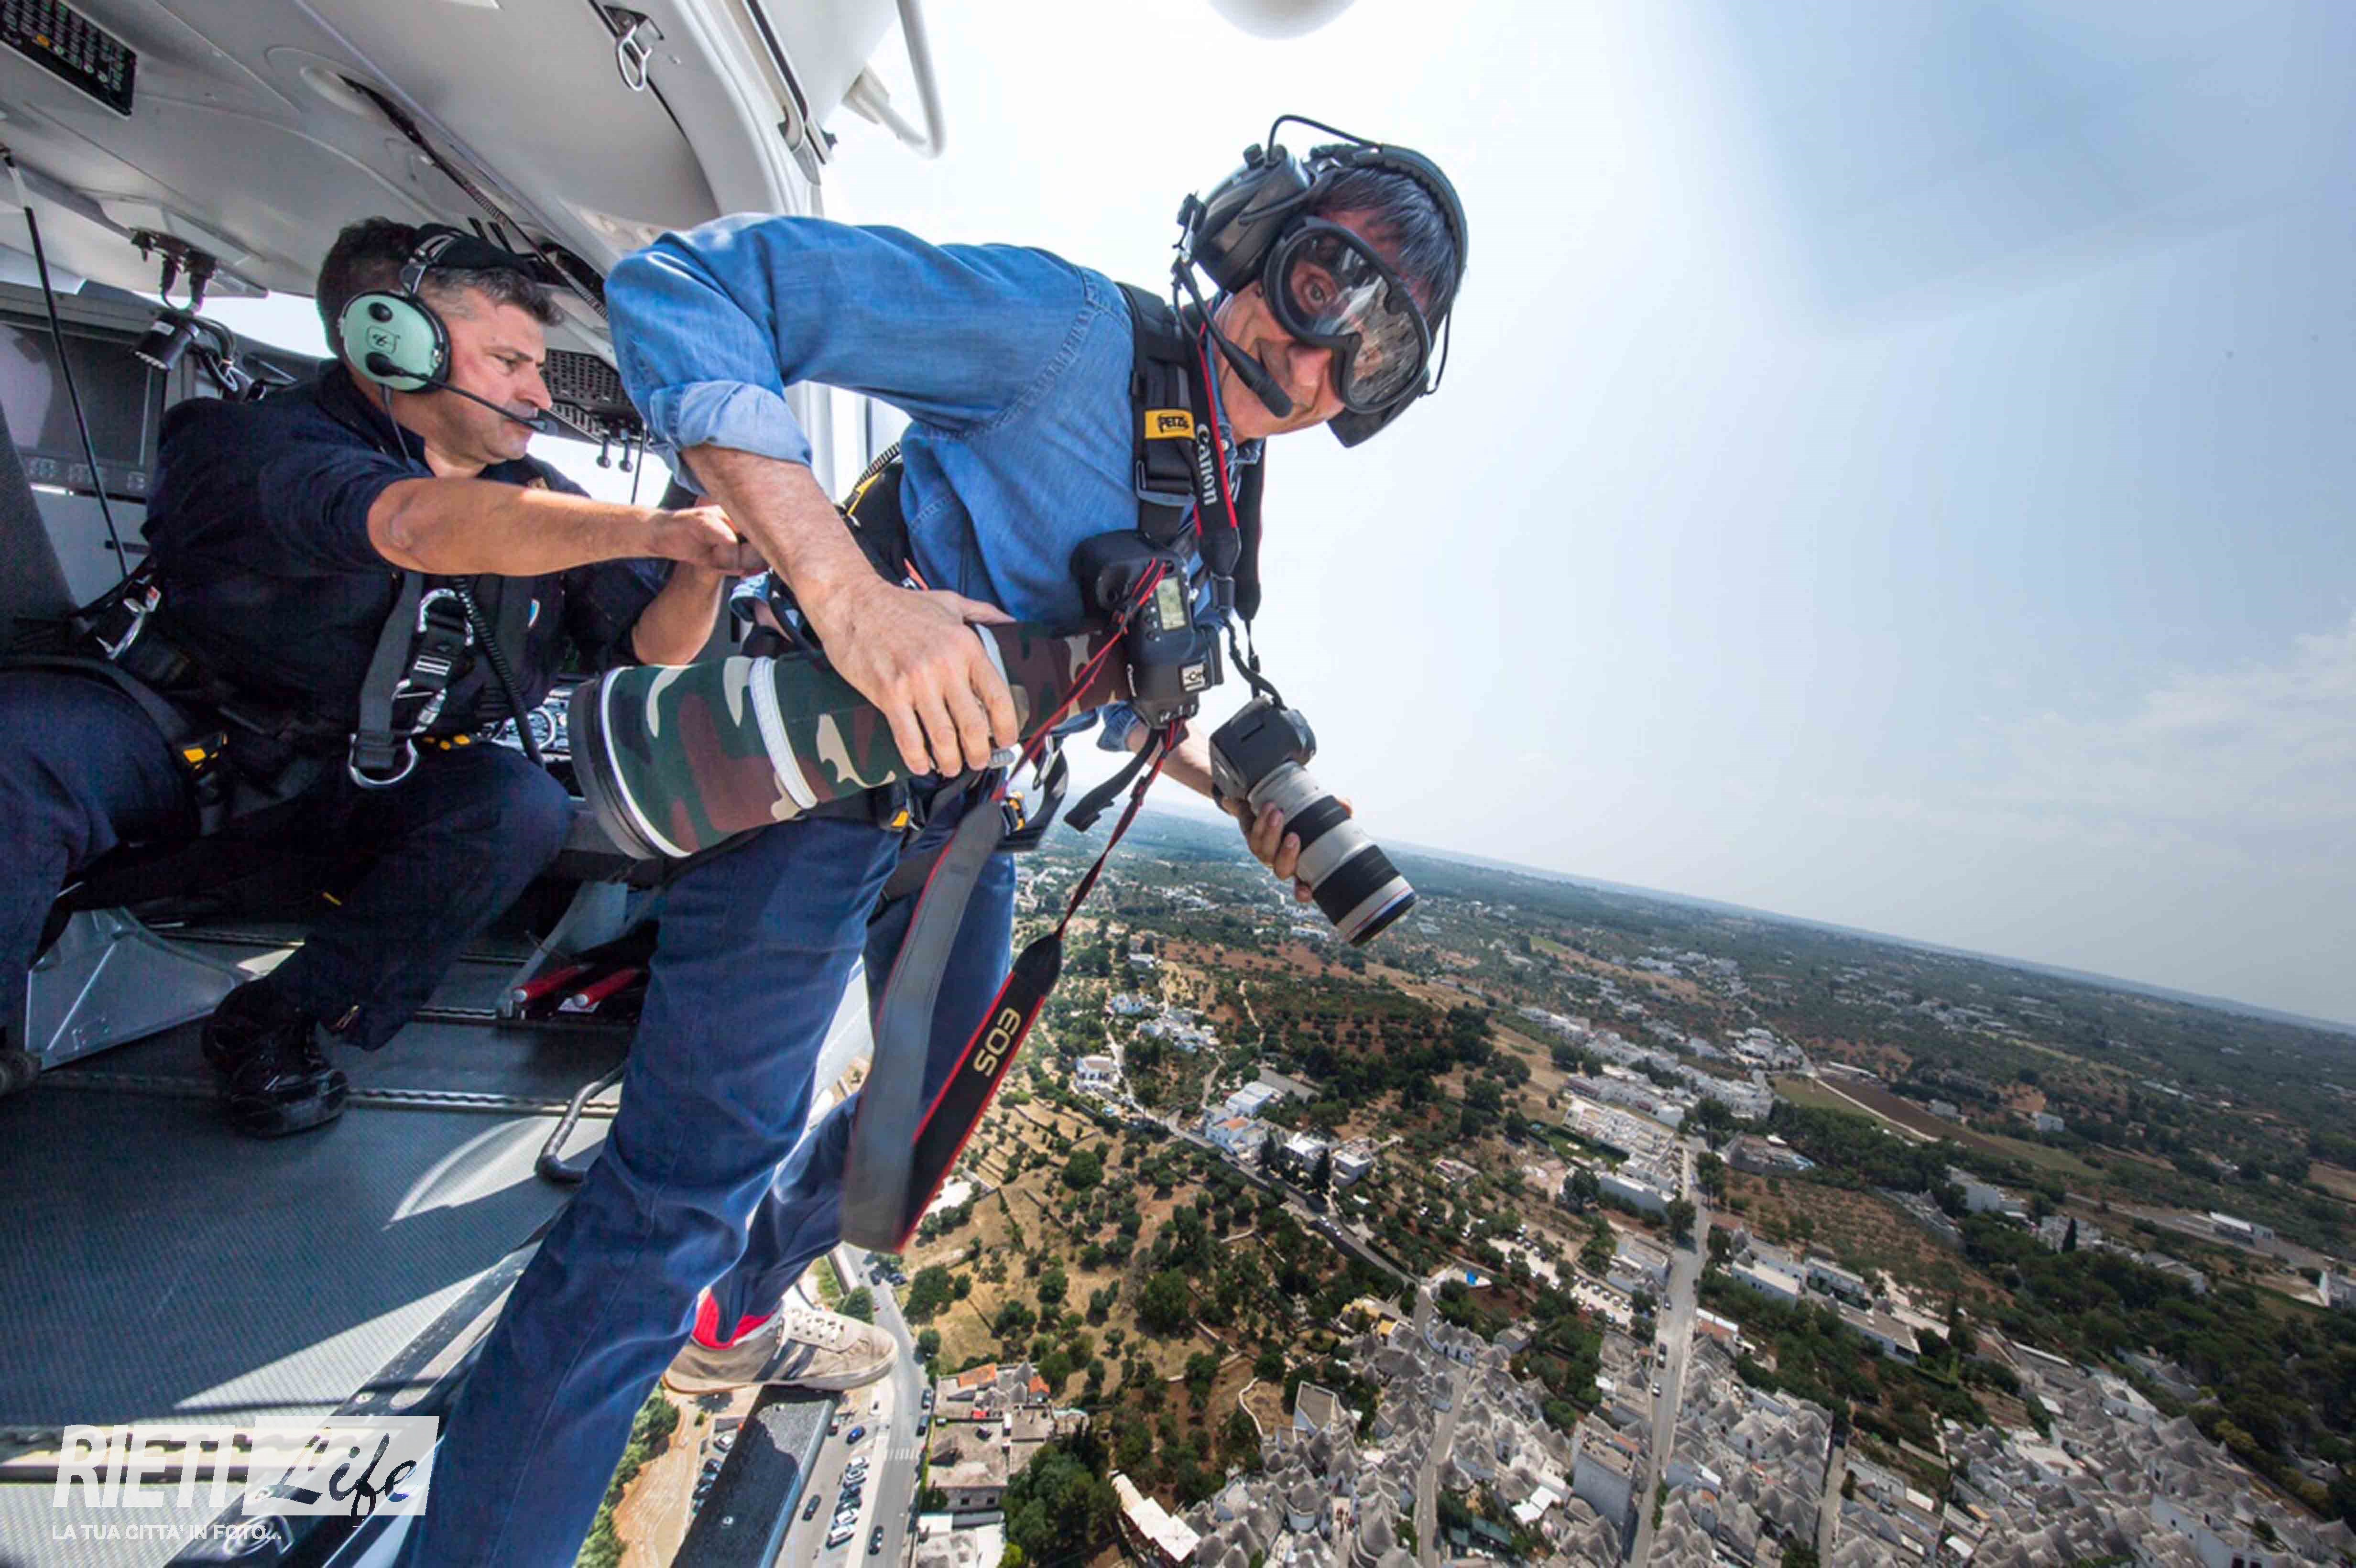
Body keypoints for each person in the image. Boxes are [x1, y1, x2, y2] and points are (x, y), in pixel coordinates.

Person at [406, 129, 1463, 1563]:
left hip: (970, 810)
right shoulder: (1067, 335)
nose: (1324, 348)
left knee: (922, 1123)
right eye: (1330, 278)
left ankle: (735, 1305)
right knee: (685, 1191)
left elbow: (1112, 693)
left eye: (1379, 348)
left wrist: (1243, 799)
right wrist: (848, 594)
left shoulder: (1220, 502)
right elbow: (688, 286)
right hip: (820, 784)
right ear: (1256, 234)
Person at [0, 218, 758, 1136]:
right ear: (389, 342)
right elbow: (407, 524)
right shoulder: (254, 446)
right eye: (509, 362)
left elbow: (652, 652)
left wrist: (701, 564)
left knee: (517, 804)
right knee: (18, 750)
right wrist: (653, 528)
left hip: (344, 796)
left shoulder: (545, 499)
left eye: (538, 367)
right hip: (171, 757)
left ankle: (275, 1023)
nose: (539, 392)